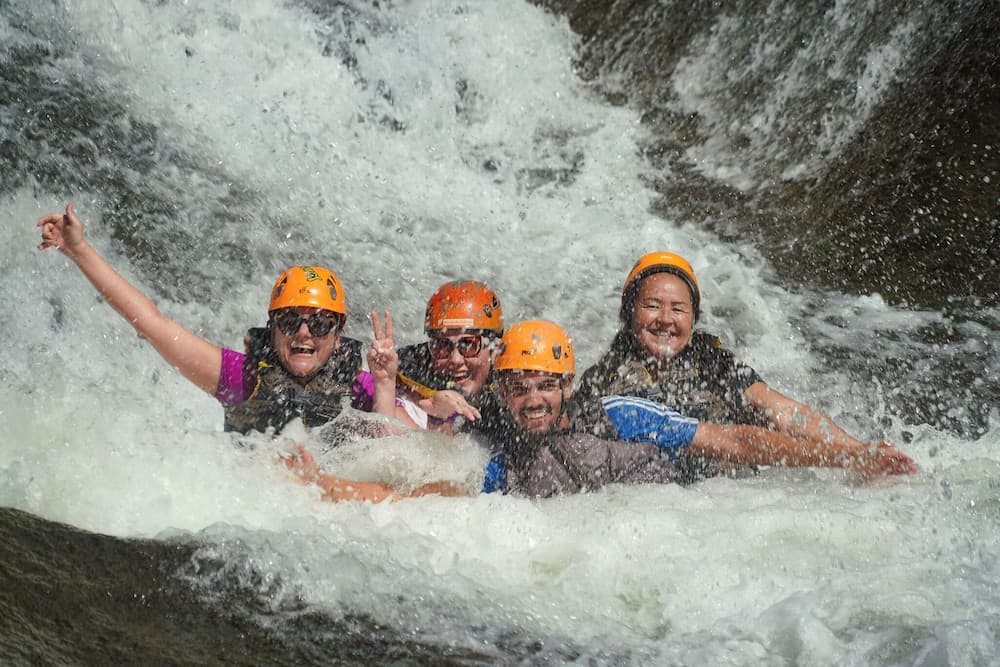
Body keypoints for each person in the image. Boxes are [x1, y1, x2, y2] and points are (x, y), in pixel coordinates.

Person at [36, 203, 404, 433]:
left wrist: (386, 387)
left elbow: (397, 461)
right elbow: (152, 325)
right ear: (273, 329)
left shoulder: (363, 389)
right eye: (290, 321)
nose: (304, 333)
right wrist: (79, 250)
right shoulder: (239, 377)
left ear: (338, 336)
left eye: (321, 323)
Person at [571, 251, 911, 481]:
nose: (665, 320)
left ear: (693, 320)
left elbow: (784, 412)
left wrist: (856, 453)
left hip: (732, 492)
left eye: (678, 309)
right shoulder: (604, 381)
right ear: (630, 314)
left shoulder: (713, 362)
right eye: (652, 306)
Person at [483, 320, 916, 498]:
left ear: (568, 384)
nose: (534, 399)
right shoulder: (503, 468)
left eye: (546, 385)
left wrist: (845, 457)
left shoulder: (619, 415)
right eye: (520, 388)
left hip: (695, 506)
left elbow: (734, 441)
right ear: (503, 392)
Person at [392, 280, 509, 435]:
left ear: (495, 348)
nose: (455, 359)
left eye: (469, 344)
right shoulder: (412, 365)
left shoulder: (512, 381)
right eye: (442, 344)